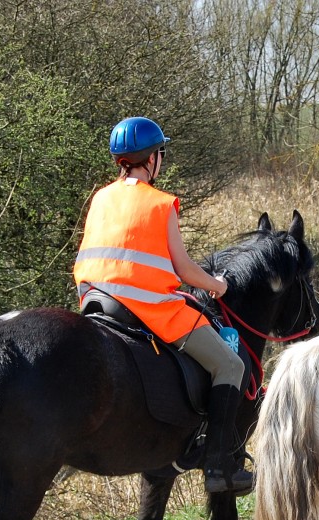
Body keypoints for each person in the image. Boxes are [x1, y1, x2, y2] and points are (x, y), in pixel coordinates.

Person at [73, 116, 253, 494]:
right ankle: (219, 465)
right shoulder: (161, 204)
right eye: (160, 153)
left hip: (96, 303)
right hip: (149, 309)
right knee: (230, 364)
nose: (161, 160)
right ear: (151, 158)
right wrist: (217, 285)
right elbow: (185, 269)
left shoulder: (100, 198)